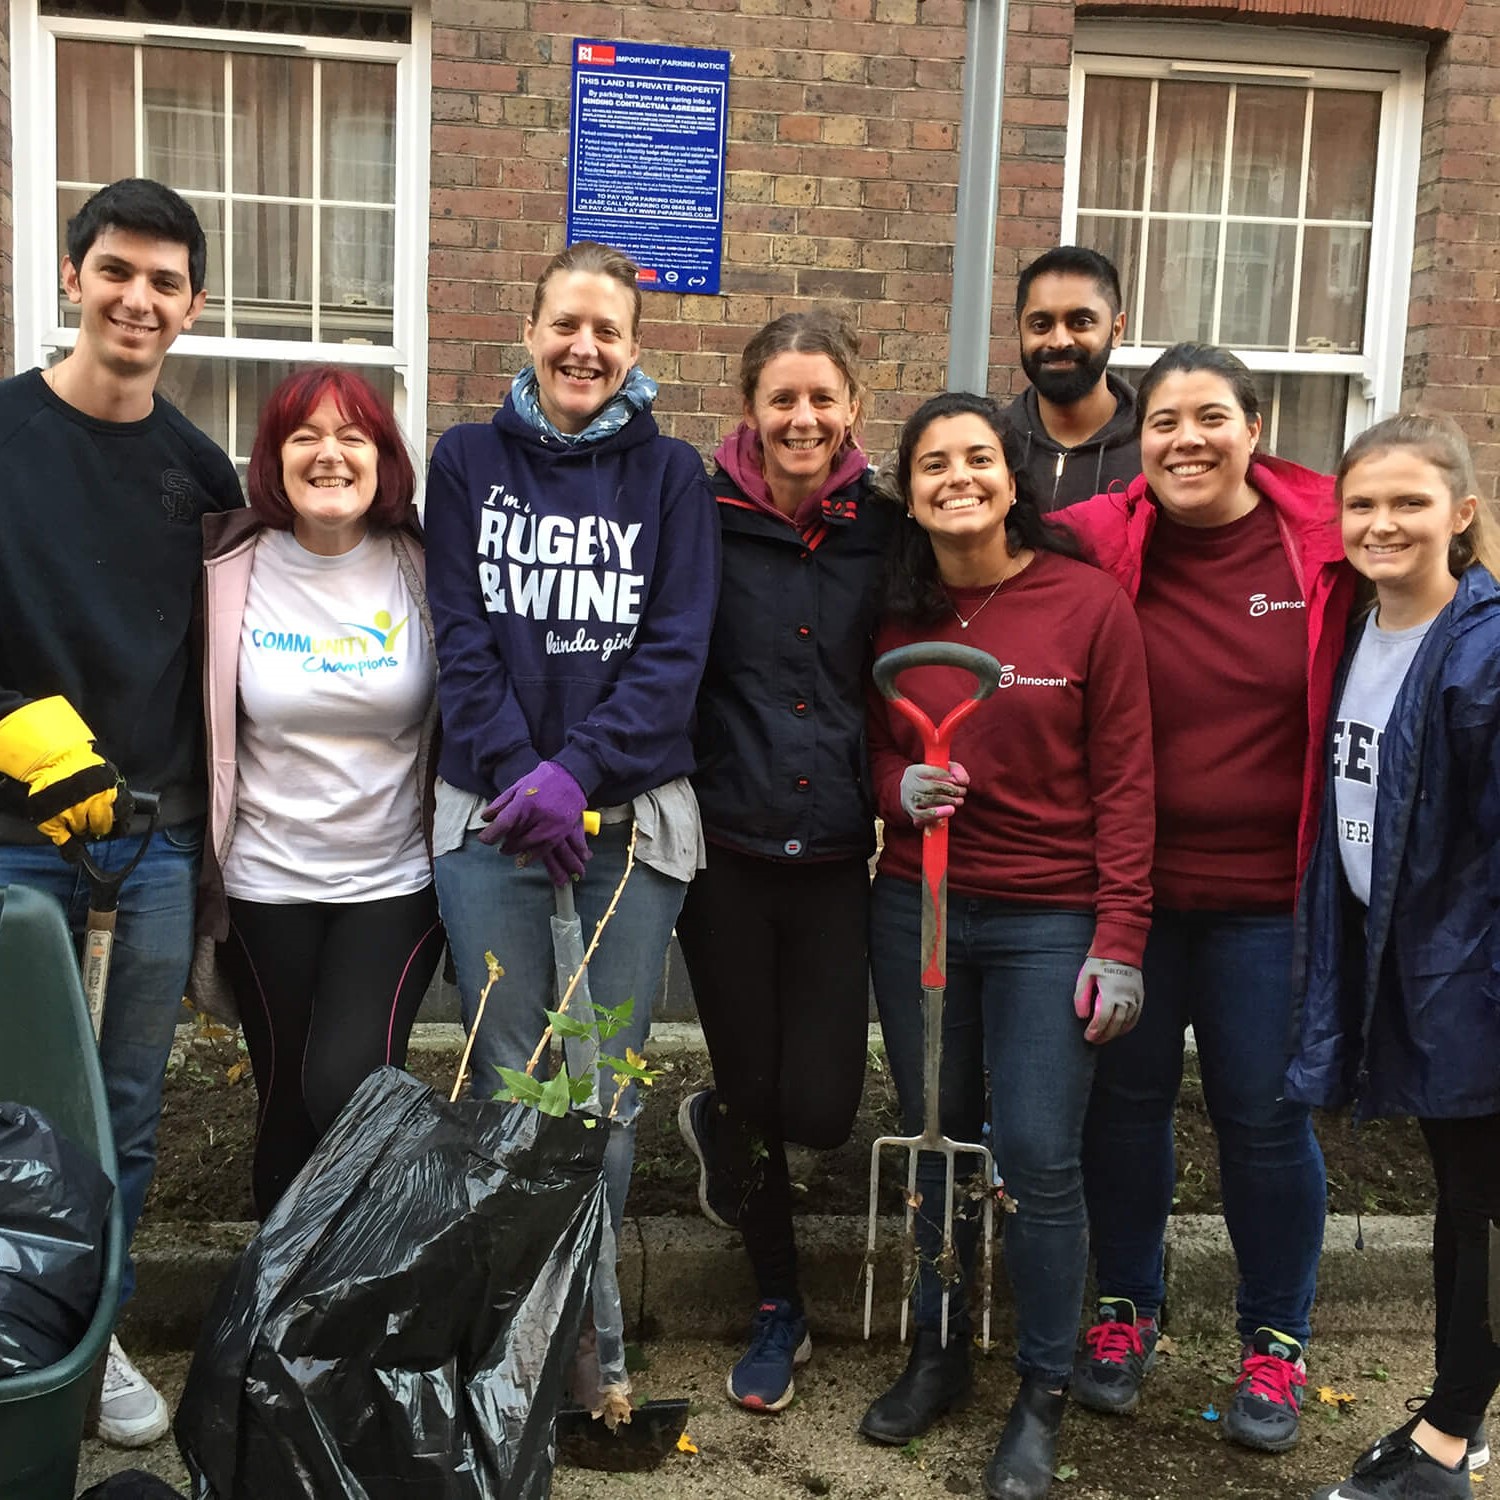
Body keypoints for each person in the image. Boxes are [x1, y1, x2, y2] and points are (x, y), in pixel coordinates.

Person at [424, 240, 719, 1401]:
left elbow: (675, 650)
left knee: (604, 1083)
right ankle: (515, 1328)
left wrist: (579, 774)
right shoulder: (465, 461)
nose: (583, 347)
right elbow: (461, 630)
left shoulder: (671, 478)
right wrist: (520, 778)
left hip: (632, 823)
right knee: (511, 1076)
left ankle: (590, 1333)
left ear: (635, 349)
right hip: (492, 817)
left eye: (607, 331)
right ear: (530, 329)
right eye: (565, 325)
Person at [1057, 343, 1357, 1453]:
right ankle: (1126, 1310)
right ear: (1138, 445)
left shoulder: (1322, 546)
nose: (1187, 439)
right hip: (1129, 892)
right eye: (1164, 422)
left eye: (1210, 417)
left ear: (1254, 427)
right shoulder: (1096, 540)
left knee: (1265, 1120)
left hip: (1268, 902)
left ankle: (1274, 1342)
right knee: (1124, 1109)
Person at [860, 392, 1154, 1500]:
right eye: (933, 463)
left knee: (1035, 1151)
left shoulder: (1085, 604)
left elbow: (1129, 780)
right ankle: (937, 1349)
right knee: (934, 1133)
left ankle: (1041, 1385)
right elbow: (855, 748)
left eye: (978, 458)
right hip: (918, 904)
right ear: (912, 486)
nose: (958, 478)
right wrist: (898, 784)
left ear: (1011, 475)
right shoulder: (894, 608)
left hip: (1050, 917)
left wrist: (1120, 935)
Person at [0, 178, 241, 1446]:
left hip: (148, 845)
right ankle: (9, 1330)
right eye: (116, 272)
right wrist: (19, 724)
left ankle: (91, 1338)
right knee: (12, 1094)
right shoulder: (2, 434)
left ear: (191, 307)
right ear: (72, 278)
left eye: (164, 281)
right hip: (11, 843)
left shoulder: (199, 477)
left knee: (123, 1112)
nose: (136, 299)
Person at [673, 309, 896, 1413]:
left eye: (822, 398)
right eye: (781, 399)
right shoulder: (697, 515)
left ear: (853, 403)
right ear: (749, 409)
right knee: (760, 1089)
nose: (802, 419)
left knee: (822, 1105)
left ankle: (713, 1122)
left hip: (836, 853)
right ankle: (778, 1303)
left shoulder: (883, 529)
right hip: (724, 849)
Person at [1288, 414, 1499, 1500]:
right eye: (1363, 503)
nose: (1383, 522)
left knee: (1487, 1211)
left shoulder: (1486, 649)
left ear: (1460, 516)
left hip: (1476, 974)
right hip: (1410, 966)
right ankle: (1453, 1414)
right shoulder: (1359, 626)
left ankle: (1449, 1442)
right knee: (1463, 1202)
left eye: (1410, 502)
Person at [195, 365, 444, 1219]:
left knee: (348, 1086)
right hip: (265, 884)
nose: (329, 454)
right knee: (283, 1111)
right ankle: (286, 1329)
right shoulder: (228, 569)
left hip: (393, 883)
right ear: (274, 457)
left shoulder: (424, 567)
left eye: (353, 436)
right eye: (305, 436)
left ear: (383, 458)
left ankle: (380, 1278)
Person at [1003, 246, 1140, 512]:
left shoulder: (1155, 450)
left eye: (1081, 322)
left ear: (1116, 330)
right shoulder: (993, 446)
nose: (1059, 341)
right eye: (1041, 325)